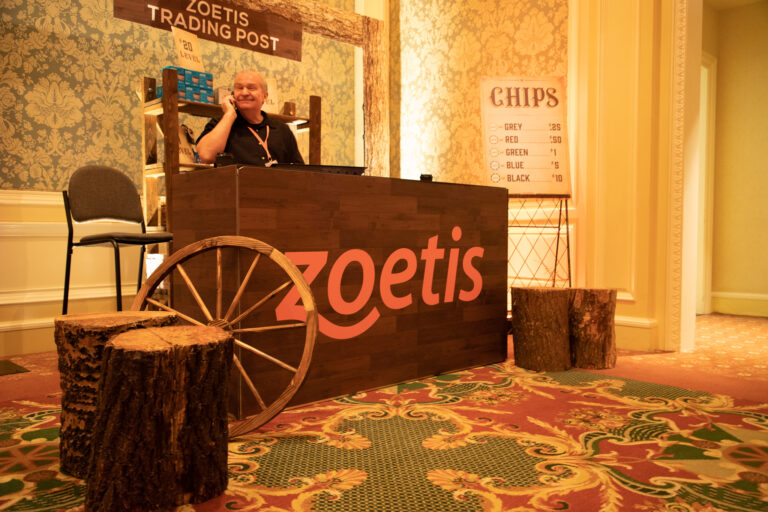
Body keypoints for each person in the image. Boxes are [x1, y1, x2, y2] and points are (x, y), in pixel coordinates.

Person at [196, 69, 304, 166]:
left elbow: (299, 171)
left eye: (251, 88)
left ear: (265, 96)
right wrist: (229, 114)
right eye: (239, 88)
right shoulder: (220, 124)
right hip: (235, 187)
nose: (244, 92)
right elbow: (206, 155)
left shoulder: (282, 130)